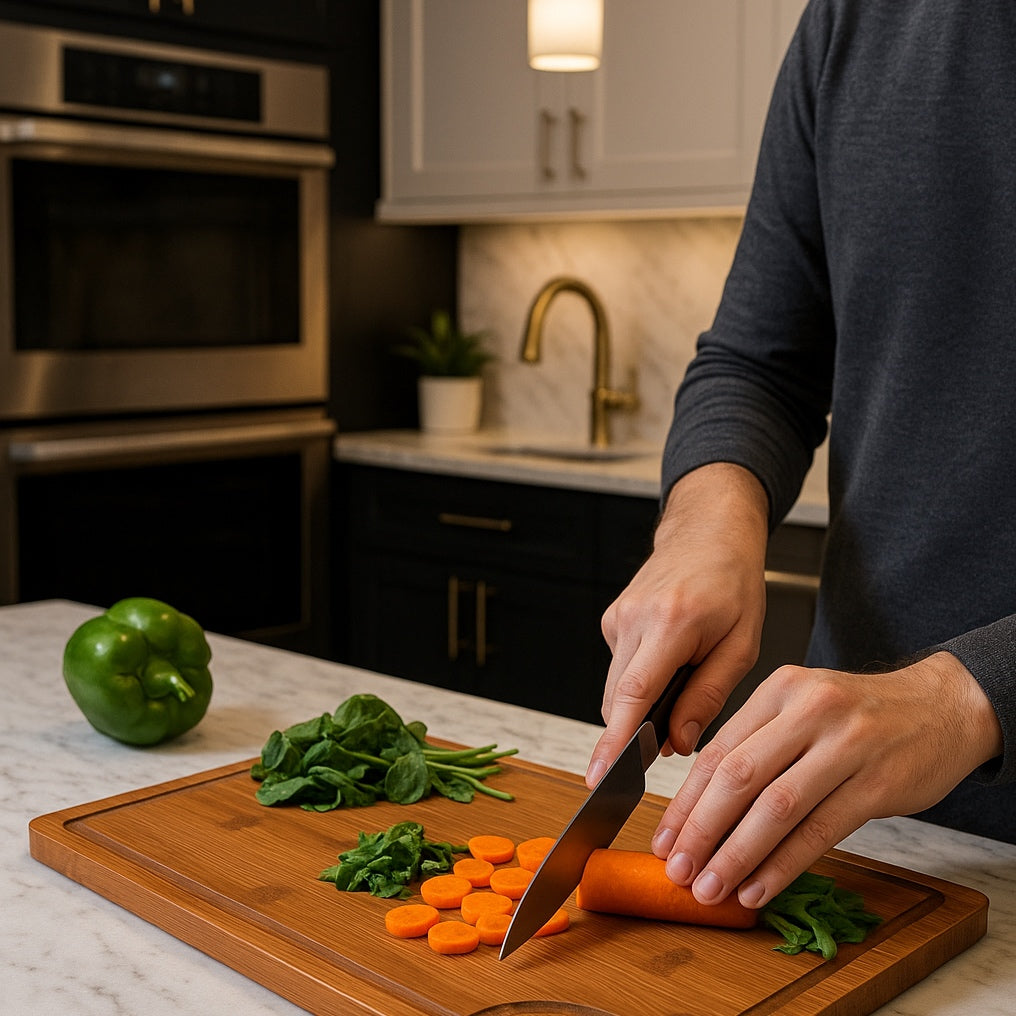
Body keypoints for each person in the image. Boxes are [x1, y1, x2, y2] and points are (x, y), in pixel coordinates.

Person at [587, 0, 1016, 915]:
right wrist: (706, 526)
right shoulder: (853, 20)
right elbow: (759, 364)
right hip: (850, 831)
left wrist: (970, 696)